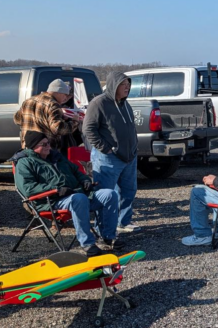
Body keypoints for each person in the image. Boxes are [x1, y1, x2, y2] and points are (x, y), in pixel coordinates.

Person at [13, 132, 120, 256]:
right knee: (79, 199)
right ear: (33, 147)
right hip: (51, 201)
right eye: (44, 144)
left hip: (76, 194)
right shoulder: (25, 163)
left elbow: (75, 170)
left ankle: (108, 237)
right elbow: (28, 189)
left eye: (49, 143)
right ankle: (88, 244)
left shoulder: (56, 157)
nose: (49, 146)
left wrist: (85, 180)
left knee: (110, 194)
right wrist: (56, 189)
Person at [83, 72, 140, 234]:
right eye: (123, 84)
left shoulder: (125, 104)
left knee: (129, 191)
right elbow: (88, 129)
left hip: (129, 157)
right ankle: (103, 230)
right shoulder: (99, 103)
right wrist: (105, 148)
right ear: (114, 85)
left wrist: (134, 147)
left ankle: (123, 222)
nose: (127, 87)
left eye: (128, 84)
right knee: (106, 194)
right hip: (108, 158)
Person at [13, 79, 80, 152]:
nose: (65, 98)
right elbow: (58, 129)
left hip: (28, 146)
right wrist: (74, 121)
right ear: (58, 92)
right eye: (65, 95)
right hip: (45, 149)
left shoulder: (28, 101)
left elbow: (17, 119)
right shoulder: (52, 104)